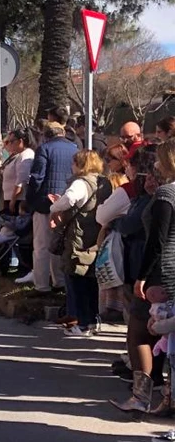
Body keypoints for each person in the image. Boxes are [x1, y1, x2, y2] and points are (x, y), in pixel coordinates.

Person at [112, 140, 175, 414]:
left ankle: (141, 395)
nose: (156, 165)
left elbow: (157, 242)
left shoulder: (165, 195)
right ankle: (167, 397)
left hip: (162, 271)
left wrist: (142, 277)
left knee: (139, 330)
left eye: (160, 159)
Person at [49, 150, 110, 337]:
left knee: (75, 279)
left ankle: (82, 323)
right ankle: (93, 321)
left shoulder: (80, 183)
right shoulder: (104, 182)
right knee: (91, 281)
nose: (72, 166)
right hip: (97, 234)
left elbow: (69, 200)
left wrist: (54, 207)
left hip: (79, 235)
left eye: (74, 163)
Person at [26, 123, 78, 294]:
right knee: (59, 244)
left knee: (42, 246)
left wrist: (31, 200)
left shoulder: (44, 149)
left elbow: (37, 177)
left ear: (45, 135)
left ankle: (41, 285)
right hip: (68, 201)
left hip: (44, 203)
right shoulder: (74, 148)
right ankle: (59, 282)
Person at [1, 129, 35, 214]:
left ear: (20, 141)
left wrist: (13, 199)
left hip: (18, 199)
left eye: (11, 141)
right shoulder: (20, 155)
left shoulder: (26, 155)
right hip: (10, 197)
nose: (10, 144)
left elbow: (21, 180)